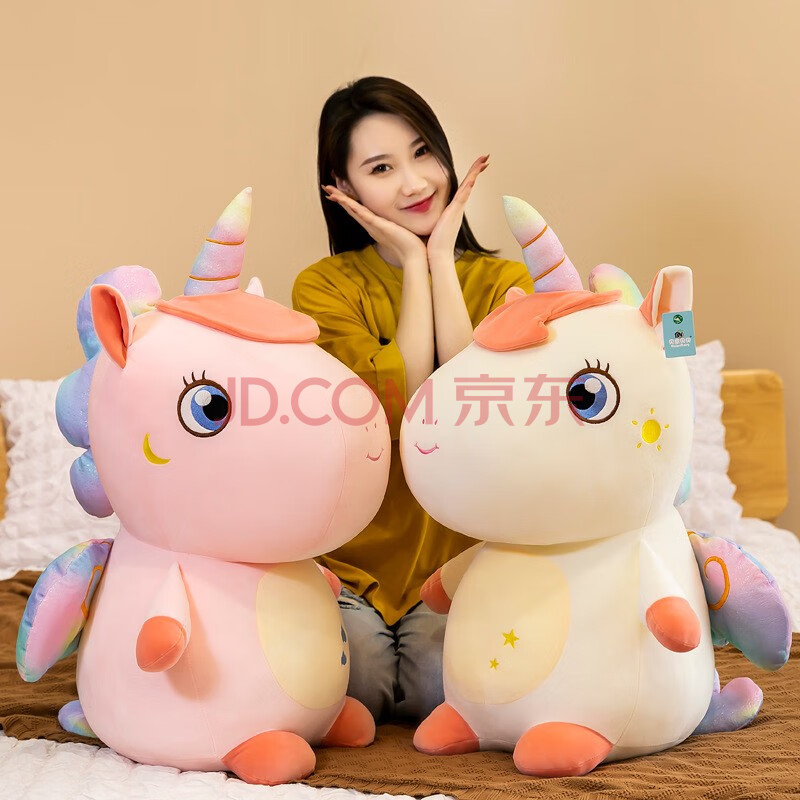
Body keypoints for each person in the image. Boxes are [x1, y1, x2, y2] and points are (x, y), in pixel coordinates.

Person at [292, 76, 534, 722]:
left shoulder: (505, 281)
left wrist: (440, 261)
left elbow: (465, 413)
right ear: (343, 189)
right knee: (359, 684)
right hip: (352, 559)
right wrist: (412, 259)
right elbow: (397, 410)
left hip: (460, 559)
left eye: (423, 152)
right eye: (381, 168)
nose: (414, 182)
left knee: (439, 689)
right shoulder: (323, 288)